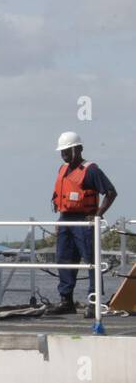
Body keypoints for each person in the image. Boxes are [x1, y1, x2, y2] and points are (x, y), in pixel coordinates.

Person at [51, 131, 117, 314]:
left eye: (67, 151)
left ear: (78, 149)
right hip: (66, 219)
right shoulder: (62, 169)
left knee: (91, 262)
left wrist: (98, 214)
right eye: (62, 151)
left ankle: (94, 302)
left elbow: (111, 192)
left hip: (84, 220)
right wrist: (60, 220)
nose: (64, 155)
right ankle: (66, 301)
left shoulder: (91, 170)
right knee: (64, 260)